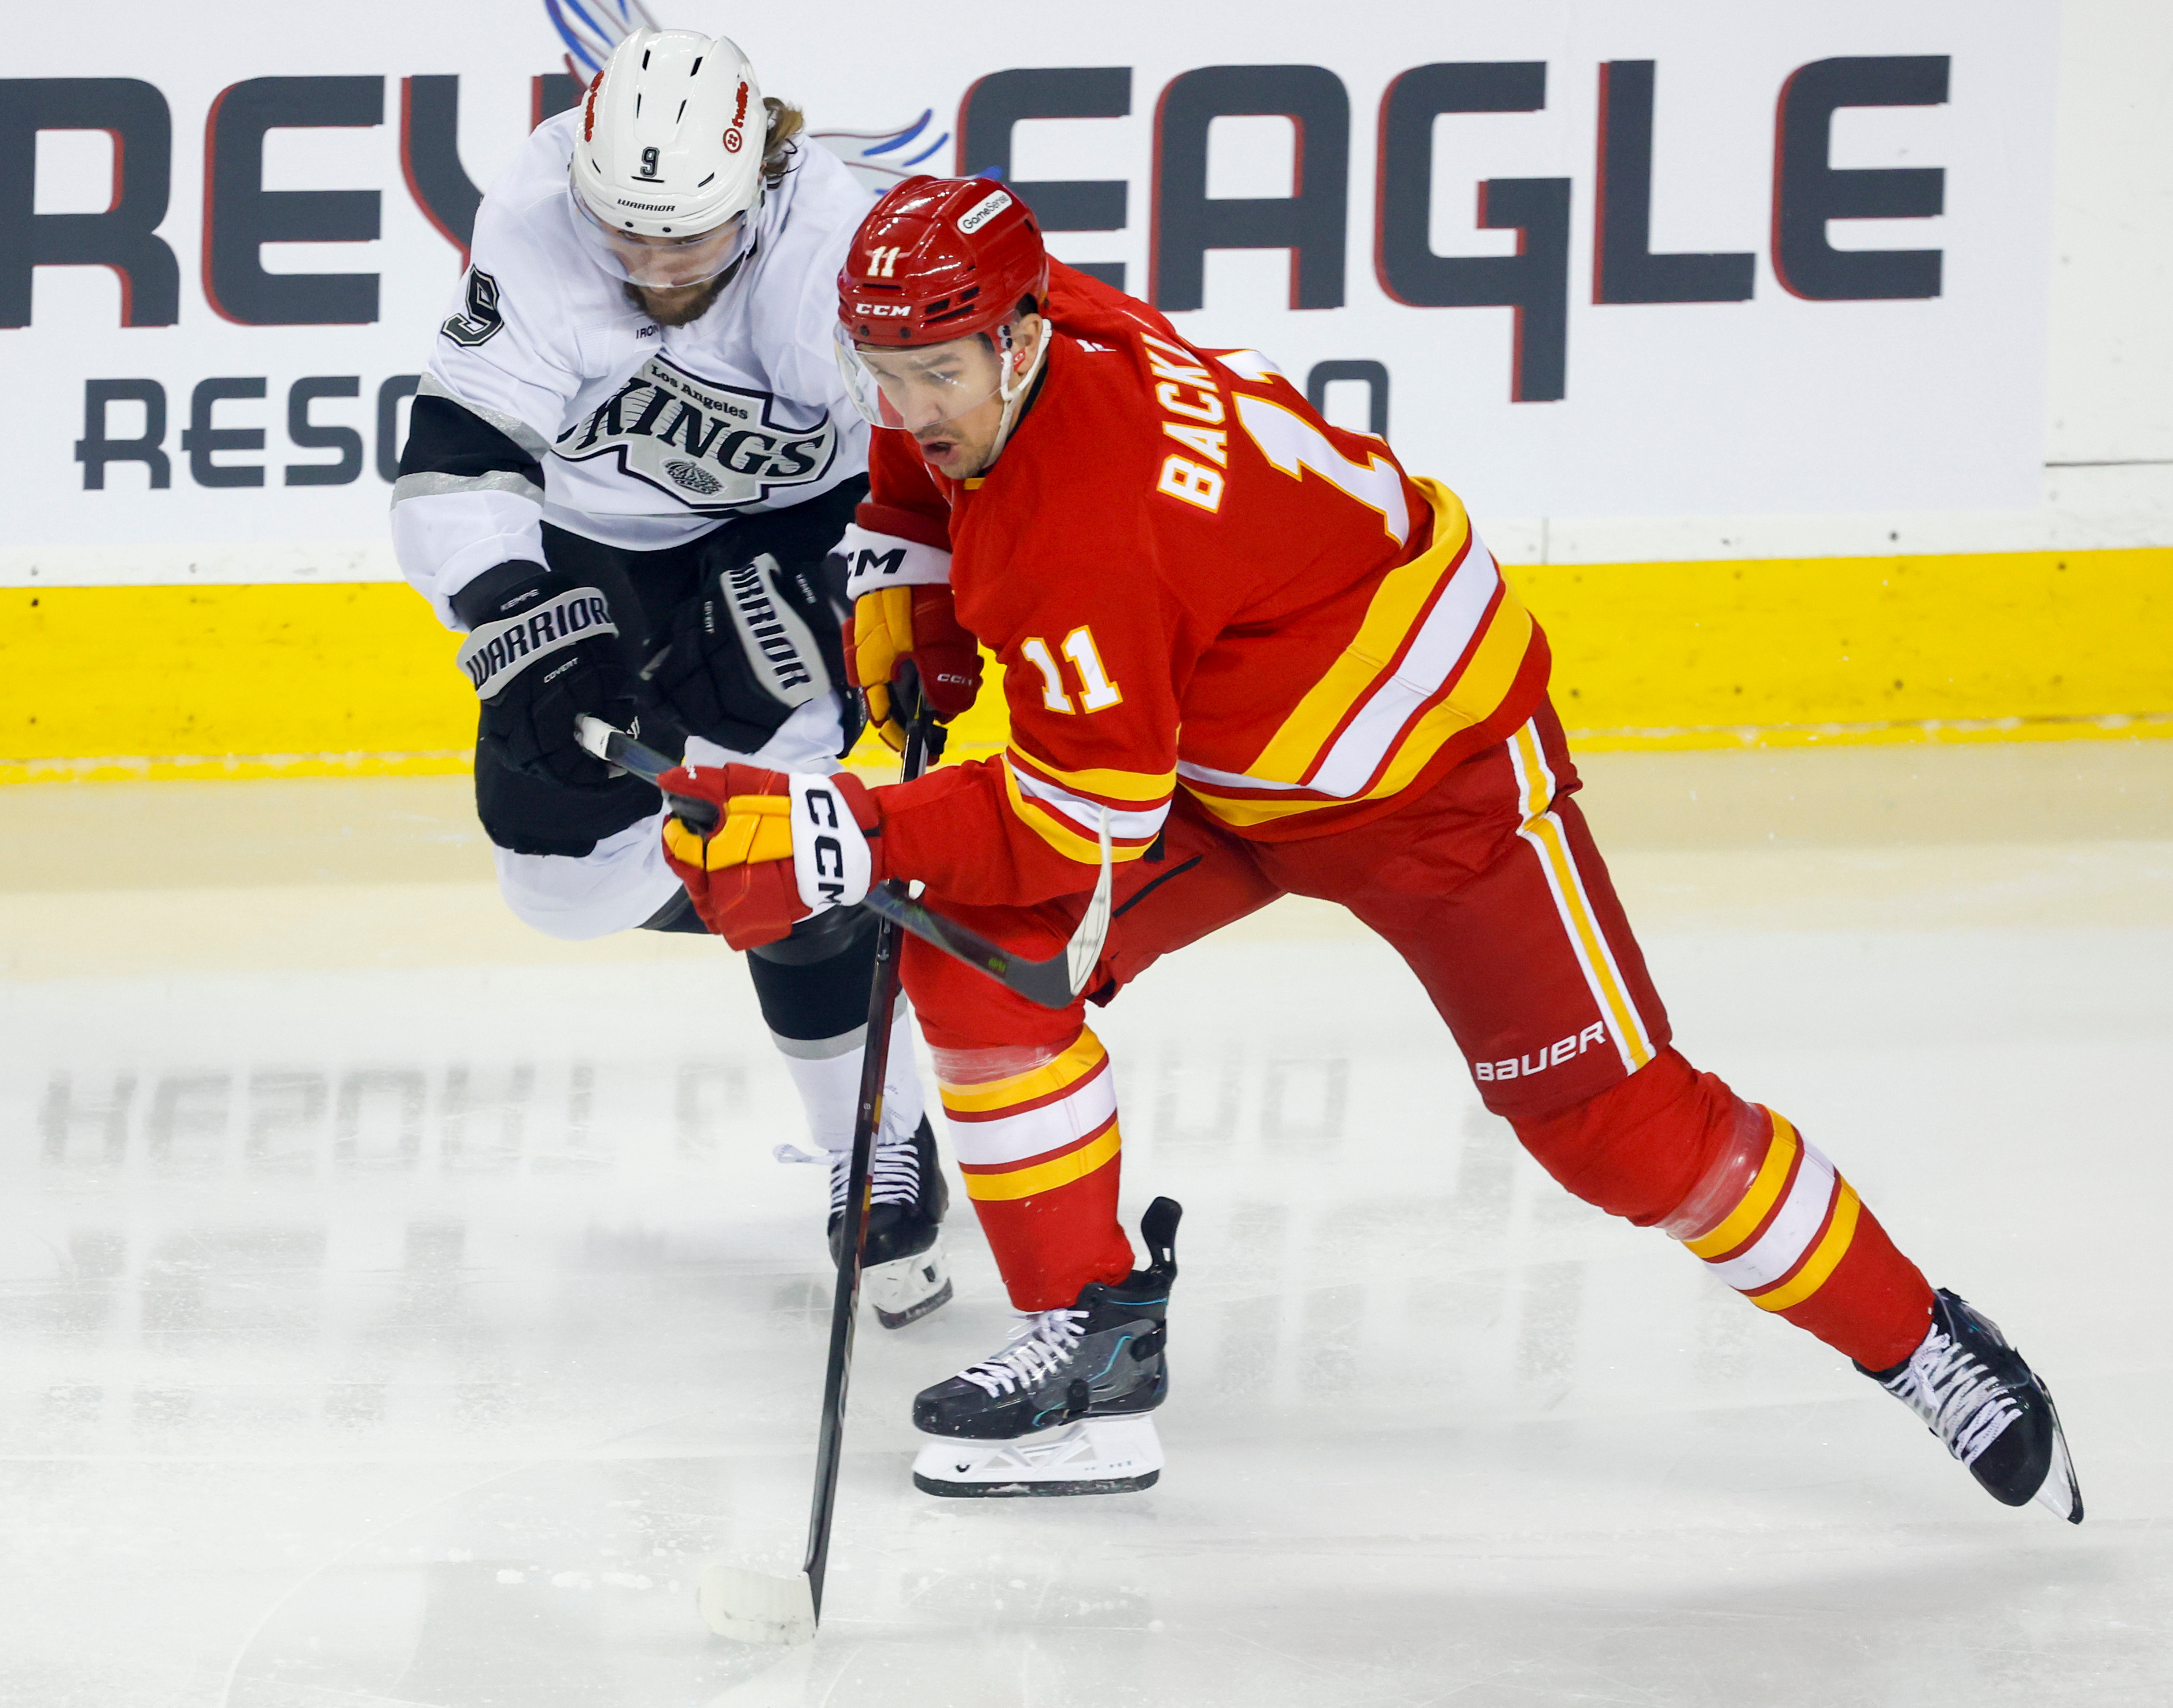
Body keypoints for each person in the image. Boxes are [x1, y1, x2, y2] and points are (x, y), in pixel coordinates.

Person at [650, 172, 2086, 1516]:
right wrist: (906, 575)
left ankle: (1916, 1342)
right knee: (982, 970)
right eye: (878, 371)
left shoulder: (1095, 529)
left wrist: (847, 828)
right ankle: (1092, 1363)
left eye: (935, 374)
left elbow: (1068, 824)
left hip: (1426, 783)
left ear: (1019, 341)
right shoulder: (1032, 328)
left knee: (1617, 1132)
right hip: (1211, 750)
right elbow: (931, 466)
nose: (907, 402)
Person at [388, 29, 950, 1327]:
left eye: (683, 241)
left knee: (766, 837)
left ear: (759, 184)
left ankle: (870, 1142)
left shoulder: (835, 251)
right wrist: (524, 617)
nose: (647, 267)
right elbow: (457, 455)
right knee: (555, 882)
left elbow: (951, 458)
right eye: (622, 235)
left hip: (804, 539)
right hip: (606, 544)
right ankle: (841, 894)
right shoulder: (536, 211)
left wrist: (866, 596)